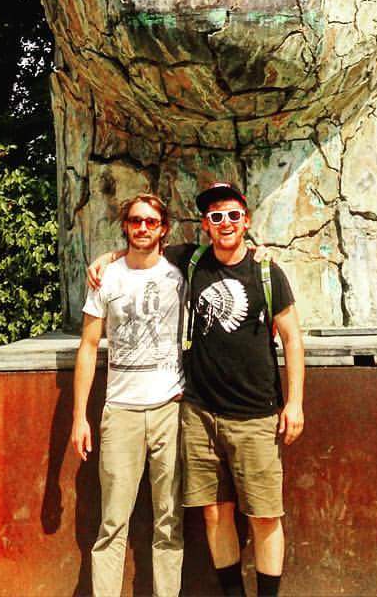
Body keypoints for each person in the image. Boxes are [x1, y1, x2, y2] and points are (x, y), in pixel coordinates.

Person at [88, 182, 305, 597]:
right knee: (215, 513)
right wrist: (108, 257)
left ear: (246, 221)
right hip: (200, 414)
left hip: (255, 413)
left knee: (264, 515)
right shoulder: (192, 261)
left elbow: (293, 339)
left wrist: (294, 403)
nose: (225, 223)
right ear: (205, 225)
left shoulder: (267, 271)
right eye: (216, 217)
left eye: (233, 215)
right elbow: (143, 246)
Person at [72, 193, 185, 597]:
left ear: (163, 228)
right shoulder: (107, 278)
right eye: (136, 221)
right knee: (112, 522)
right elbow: (88, 346)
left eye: (151, 222)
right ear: (125, 225)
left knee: (169, 522)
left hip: (170, 409)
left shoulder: (179, 275)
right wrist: (80, 417)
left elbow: (228, 253)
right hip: (120, 411)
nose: (143, 228)